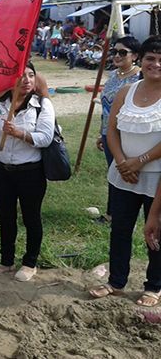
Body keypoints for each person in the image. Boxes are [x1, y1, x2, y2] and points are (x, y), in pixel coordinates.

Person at [89, 35, 161, 307]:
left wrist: (140, 161)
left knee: (155, 231)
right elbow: (112, 130)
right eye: (150, 58)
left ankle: (154, 285)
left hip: (156, 177)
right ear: (141, 61)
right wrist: (121, 161)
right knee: (120, 229)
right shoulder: (126, 91)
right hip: (123, 174)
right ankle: (116, 281)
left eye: (160, 60)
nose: (155, 64)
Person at [0, 62, 55, 282]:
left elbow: (45, 138)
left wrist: (20, 133)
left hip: (30, 172)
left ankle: (30, 263)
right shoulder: (1, 104)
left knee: (31, 217)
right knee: (6, 217)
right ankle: (6, 262)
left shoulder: (42, 105)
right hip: (2, 170)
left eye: (31, 75)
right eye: (22, 76)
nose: (27, 80)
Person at [95, 36, 141, 223]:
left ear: (135, 56)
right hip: (109, 133)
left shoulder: (139, 77)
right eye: (115, 52)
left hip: (128, 135)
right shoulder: (113, 75)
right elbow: (105, 107)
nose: (117, 56)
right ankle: (112, 213)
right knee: (112, 173)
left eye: (123, 52)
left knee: (125, 172)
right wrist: (102, 132)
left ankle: (122, 214)